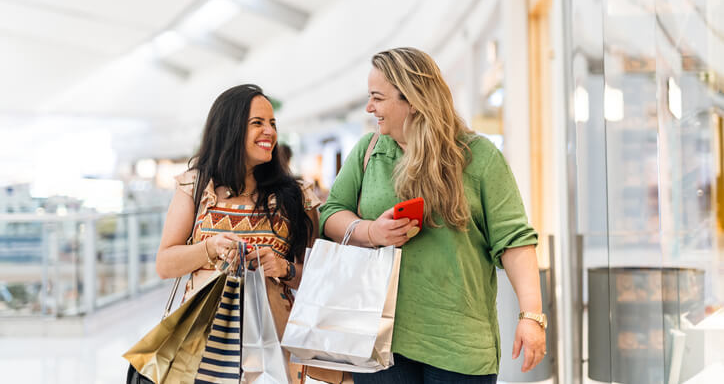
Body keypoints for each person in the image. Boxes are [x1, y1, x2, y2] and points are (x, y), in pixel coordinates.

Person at [319, 48, 546, 382]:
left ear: (411, 99)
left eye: (377, 98)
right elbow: (330, 215)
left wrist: (531, 316)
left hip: (459, 347)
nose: (370, 108)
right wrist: (372, 232)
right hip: (378, 343)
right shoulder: (370, 151)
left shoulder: (477, 157)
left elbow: (514, 241)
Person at [155, 83, 319, 382]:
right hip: (200, 349)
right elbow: (165, 264)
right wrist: (210, 247)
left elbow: (318, 278)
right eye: (257, 123)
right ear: (229, 129)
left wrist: (282, 268)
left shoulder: (296, 195)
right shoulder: (195, 186)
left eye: (272, 123)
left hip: (272, 350)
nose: (269, 131)